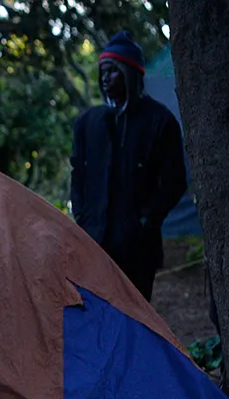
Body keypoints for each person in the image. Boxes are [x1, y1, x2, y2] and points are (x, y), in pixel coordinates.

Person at [70, 31, 188, 301]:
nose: (105, 77)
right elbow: (78, 171)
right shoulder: (89, 123)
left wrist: (147, 219)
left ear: (130, 73)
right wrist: (81, 213)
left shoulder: (159, 121)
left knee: (135, 315)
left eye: (113, 71)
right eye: (103, 71)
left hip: (137, 246)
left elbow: (174, 181)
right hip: (94, 239)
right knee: (98, 311)